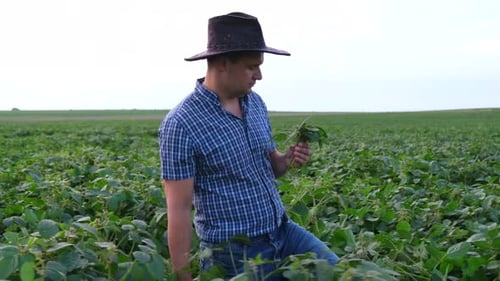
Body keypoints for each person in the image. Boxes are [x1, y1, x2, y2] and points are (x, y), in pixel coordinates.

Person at [158, 12, 340, 281]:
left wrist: (286, 160)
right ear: (222, 63)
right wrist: (183, 276)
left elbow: (270, 165)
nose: (260, 75)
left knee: (344, 273)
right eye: (251, 66)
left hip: (283, 232)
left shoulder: (255, 103)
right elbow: (179, 209)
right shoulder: (182, 124)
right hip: (235, 254)